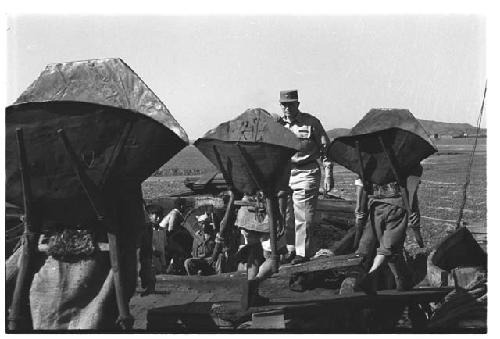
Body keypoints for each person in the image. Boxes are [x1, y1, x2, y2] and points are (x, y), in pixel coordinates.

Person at [277, 89, 334, 265]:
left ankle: (302, 254)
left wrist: (328, 173)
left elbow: (326, 149)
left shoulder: (311, 123)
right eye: (284, 105)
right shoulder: (277, 125)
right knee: (285, 215)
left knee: (304, 216)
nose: (287, 108)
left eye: (291, 104)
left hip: (306, 171)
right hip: (284, 173)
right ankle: (290, 250)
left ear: (298, 104)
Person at [355, 164, 423, 294]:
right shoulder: (411, 164)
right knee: (389, 247)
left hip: (378, 206)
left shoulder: (371, 162)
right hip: (394, 206)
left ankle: (395, 280)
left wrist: (359, 212)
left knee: (389, 246)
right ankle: (378, 277)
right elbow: (411, 192)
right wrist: (414, 215)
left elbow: (360, 187)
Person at [234, 192, 288, 309]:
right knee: (277, 256)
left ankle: (253, 295)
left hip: (246, 215)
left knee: (255, 252)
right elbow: (281, 192)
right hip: (267, 218)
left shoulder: (245, 173)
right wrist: (281, 218)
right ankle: (254, 284)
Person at [159, 199, 193, 275]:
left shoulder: (175, 213)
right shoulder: (175, 214)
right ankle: (172, 268)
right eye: (184, 205)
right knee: (179, 251)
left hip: (168, 236)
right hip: (166, 237)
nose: (185, 207)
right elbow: (171, 230)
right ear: (181, 206)